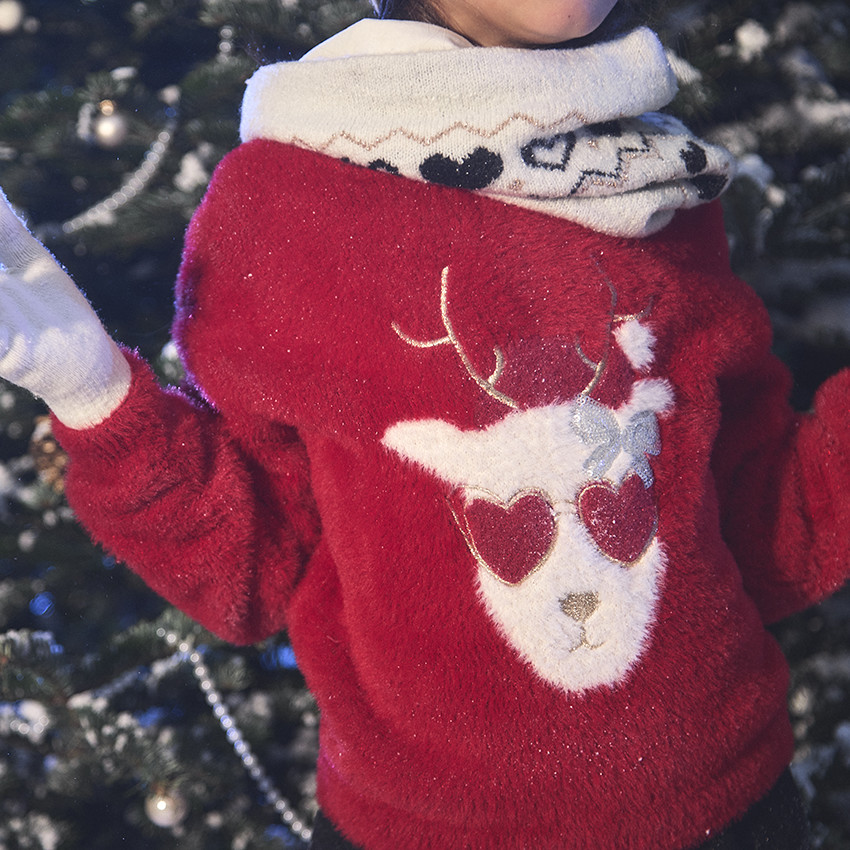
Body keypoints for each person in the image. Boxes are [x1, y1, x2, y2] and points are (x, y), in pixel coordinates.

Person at [0, 0, 845, 847]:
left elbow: (765, 532)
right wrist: (96, 397)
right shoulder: (286, 203)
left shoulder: (660, 178)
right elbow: (251, 569)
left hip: (731, 812)